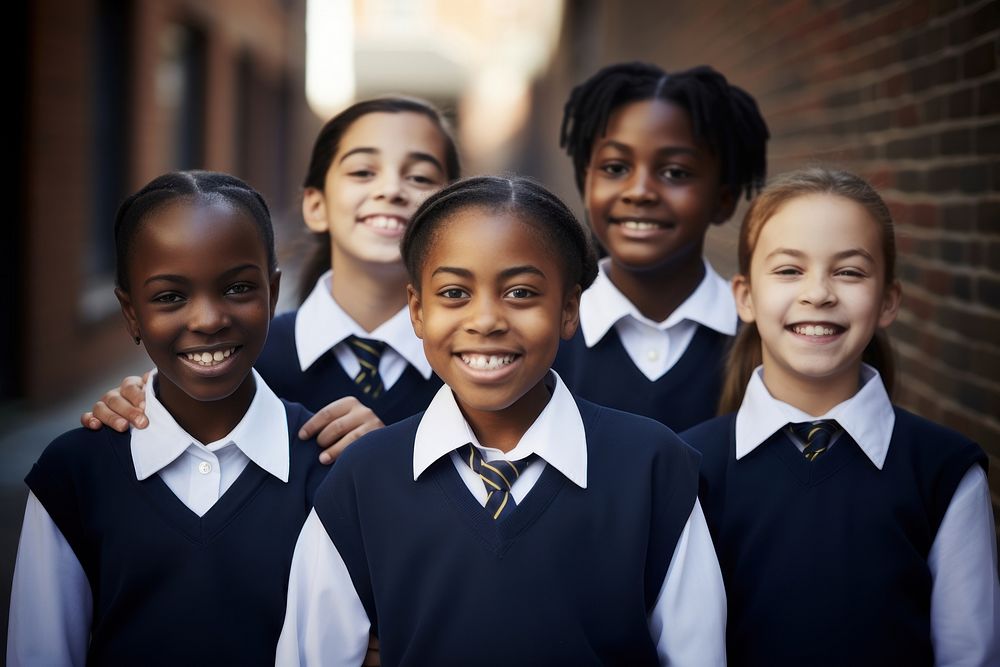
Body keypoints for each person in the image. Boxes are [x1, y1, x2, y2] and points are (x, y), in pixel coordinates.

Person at [275, 176, 727, 666]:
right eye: (453, 292)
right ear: (417, 310)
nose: (486, 320)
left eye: (520, 293)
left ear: (569, 310)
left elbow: (696, 653)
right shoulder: (362, 480)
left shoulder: (652, 466)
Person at [7, 171, 329, 665]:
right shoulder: (75, 473)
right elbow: (41, 652)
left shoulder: (327, 465)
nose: (206, 319)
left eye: (239, 287)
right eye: (170, 296)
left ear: (273, 291)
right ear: (131, 313)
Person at [682, 168, 999, 665]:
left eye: (849, 271)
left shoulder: (944, 471)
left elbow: (970, 654)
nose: (819, 293)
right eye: (789, 270)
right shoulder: (688, 467)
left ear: (888, 300)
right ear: (744, 296)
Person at [81, 97, 461, 462]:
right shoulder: (238, 352)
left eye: (420, 176)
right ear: (316, 205)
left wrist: (389, 463)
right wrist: (155, 406)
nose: (392, 190)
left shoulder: (479, 365)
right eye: (363, 171)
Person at [554, 62, 769, 431]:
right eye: (616, 168)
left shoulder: (764, 340)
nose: (639, 192)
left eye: (675, 173)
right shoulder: (543, 333)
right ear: (585, 182)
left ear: (724, 199)